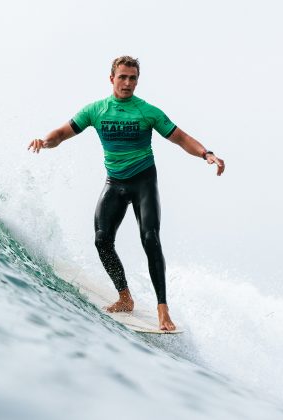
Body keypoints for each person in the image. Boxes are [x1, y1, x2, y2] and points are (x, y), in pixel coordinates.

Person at [28, 56, 225, 331]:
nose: (127, 83)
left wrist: (207, 153)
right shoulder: (96, 110)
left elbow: (181, 138)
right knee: (101, 240)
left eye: (132, 78)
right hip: (115, 183)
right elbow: (61, 133)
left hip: (143, 181)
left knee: (150, 237)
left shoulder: (147, 111)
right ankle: (124, 297)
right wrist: (44, 142)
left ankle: (163, 310)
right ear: (112, 79)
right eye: (122, 77)